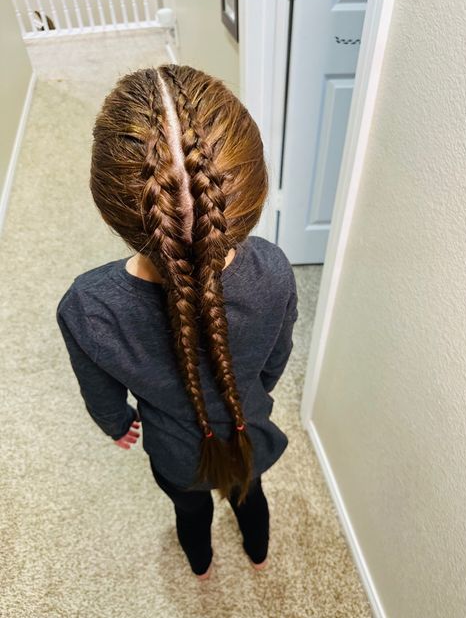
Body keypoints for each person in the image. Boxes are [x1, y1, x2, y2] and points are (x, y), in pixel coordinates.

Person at [56, 64, 298, 580]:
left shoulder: (88, 306)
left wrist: (118, 426)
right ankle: (259, 555)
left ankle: (202, 569)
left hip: (174, 452)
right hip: (249, 430)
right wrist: (252, 392)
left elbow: (99, 393)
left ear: (109, 207)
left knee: (190, 512)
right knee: (250, 497)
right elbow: (276, 358)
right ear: (252, 193)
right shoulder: (274, 272)